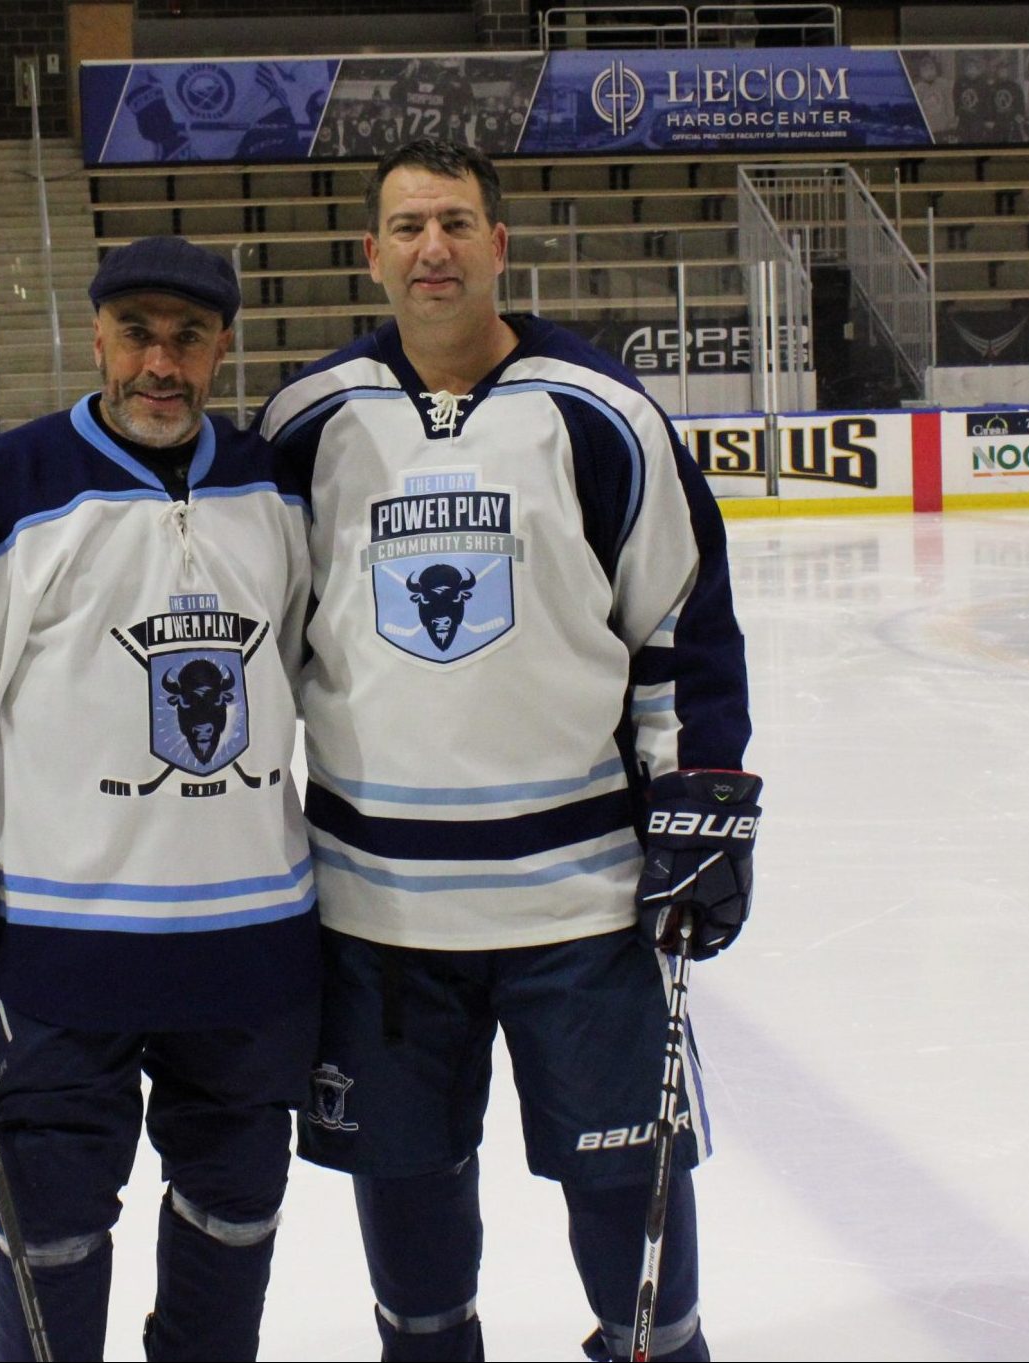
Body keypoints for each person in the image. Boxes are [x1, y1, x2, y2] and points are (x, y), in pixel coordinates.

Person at [257, 138, 761, 1362]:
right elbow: (251, 631)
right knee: (409, 1173)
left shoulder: (598, 410)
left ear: (499, 245)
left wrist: (703, 801)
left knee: (621, 1171)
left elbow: (681, 620)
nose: (435, 246)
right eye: (409, 225)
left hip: (579, 900)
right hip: (379, 907)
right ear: (370, 255)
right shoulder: (306, 422)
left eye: (458, 222)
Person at [0, 235, 318, 1362]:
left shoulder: (273, 489)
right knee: (51, 1227)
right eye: (139, 333)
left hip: (246, 942)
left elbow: (329, 675)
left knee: (236, 1209)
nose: (161, 362)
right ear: (99, 335)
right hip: (63, 942)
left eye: (189, 337)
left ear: (222, 350)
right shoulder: (7, 485)